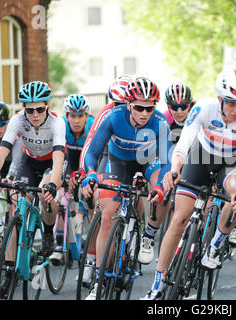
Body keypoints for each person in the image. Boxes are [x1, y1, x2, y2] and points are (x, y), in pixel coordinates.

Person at [142, 67, 236, 300]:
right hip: (200, 157)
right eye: (231, 103)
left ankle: (217, 242)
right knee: (178, 219)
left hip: (232, 163)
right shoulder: (203, 109)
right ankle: (157, 286)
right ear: (220, 99)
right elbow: (183, 145)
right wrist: (175, 170)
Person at [80, 77, 173, 300]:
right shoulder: (113, 118)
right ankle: (99, 282)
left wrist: (159, 186)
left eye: (149, 108)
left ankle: (149, 235)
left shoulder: (160, 122)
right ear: (128, 105)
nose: (144, 113)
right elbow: (93, 152)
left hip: (148, 161)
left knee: (165, 192)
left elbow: (166, 160)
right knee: (108, 215)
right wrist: (90, 173)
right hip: (118, 161)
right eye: (139, 107)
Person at [0, 81, 66, 258]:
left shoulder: (57, 122)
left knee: (45, 194)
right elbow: (2, 151)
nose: (35, 115)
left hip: (51, 163)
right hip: (29, 162)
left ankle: (49, 233)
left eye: (40, 109)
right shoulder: (17, 120)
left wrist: (53, 184)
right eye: (30, 110)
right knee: (16, 208)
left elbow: (58, 158)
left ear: (47, 106)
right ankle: (9, 265)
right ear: (23, 108)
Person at [76, 75, 132, 286]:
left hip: (137, 156)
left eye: (123, 104)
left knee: (138, 193)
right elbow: (90, 146)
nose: (120, 108)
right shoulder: (107, 113)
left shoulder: (144, 115)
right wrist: (86, 174)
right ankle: (92, 261)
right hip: (110, 155)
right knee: (99, 204)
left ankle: (134, 234)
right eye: (116, 103)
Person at [50, 94, 95, 265]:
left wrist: (86, 174)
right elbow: (60, 156)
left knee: (91, 195)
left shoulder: (92, 126)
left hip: (88, 159)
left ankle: (91, 228)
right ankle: (58, 244)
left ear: (86, 116)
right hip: (68, 158)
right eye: (72, 116)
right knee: (62, 197)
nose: (76, 121)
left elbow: (93, 155)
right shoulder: (61, 125)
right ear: (66, 116)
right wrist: (62, 178)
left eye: (80, 116)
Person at [162, 81, 196, 146]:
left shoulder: (197, 114)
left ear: (189, 106)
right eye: (175, 107)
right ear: (168, 107)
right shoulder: (164, 119)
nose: (179, 112)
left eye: (183, 107)